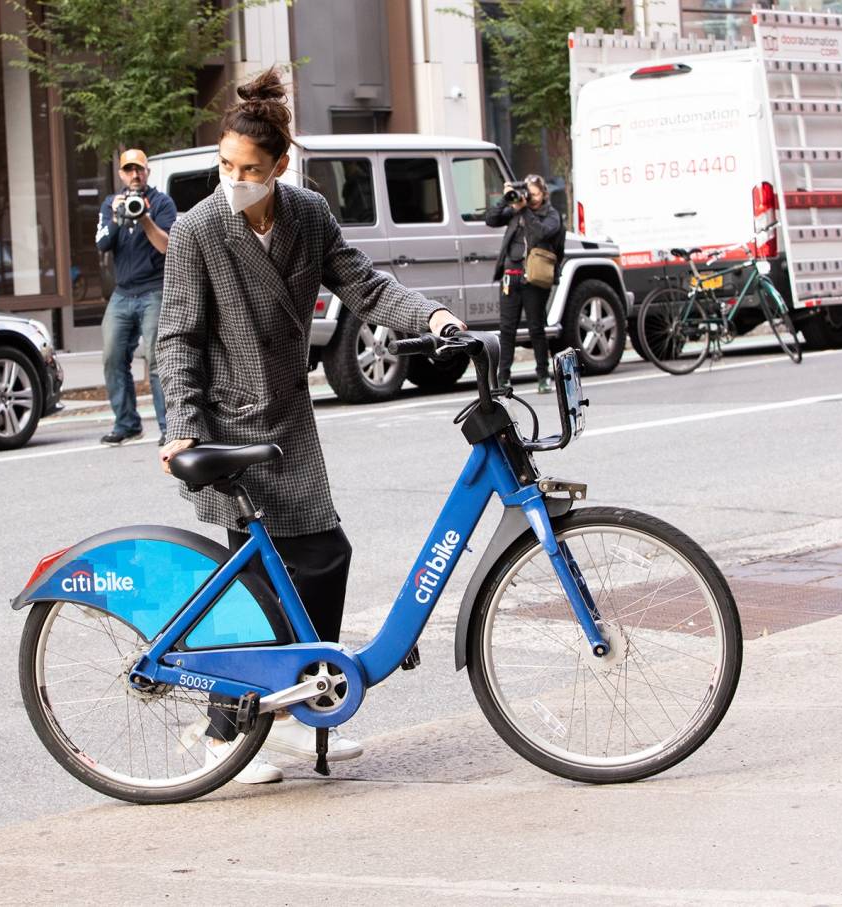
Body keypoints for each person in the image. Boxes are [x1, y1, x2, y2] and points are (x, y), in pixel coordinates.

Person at [156, 68, 466, 785]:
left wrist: (435, 316)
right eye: (226, 166)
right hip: (228, 427)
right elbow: (176, 339)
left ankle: (288, 718)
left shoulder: (308, 215)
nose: (234, 181)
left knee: (321, 560)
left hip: (288, 421)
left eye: (250, 170)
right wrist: (182, 428)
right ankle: (226, 737)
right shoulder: (200, 228)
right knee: (260, 588)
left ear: (280, 168)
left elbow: (366, 285)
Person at [96, 149, 177, 446]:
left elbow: (166, 247)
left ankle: (170, 428)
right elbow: (103, 244)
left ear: (147, 172)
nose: (134, 175)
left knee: (157, 361)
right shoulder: (110, 204)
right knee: (112, 357)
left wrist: (144, 217)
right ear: (120, 174)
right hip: (123, 293)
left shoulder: (161, 203)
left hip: (154, 289)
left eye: (139, 169)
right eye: (128, 170)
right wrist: (118, 216)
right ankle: (127, 423)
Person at [484, 174, 563, 393]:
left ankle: (543, 377)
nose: (532, 197)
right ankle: (503, 379)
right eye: (529, 193)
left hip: (534, 278)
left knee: (536, 328)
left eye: (535, 193)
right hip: (511, 276)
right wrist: (506, 197)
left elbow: (540, 234)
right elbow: (491, 219)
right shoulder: (515, 211)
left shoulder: (551, 215)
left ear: (544, 193)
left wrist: (525, 209)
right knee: (507, 329)